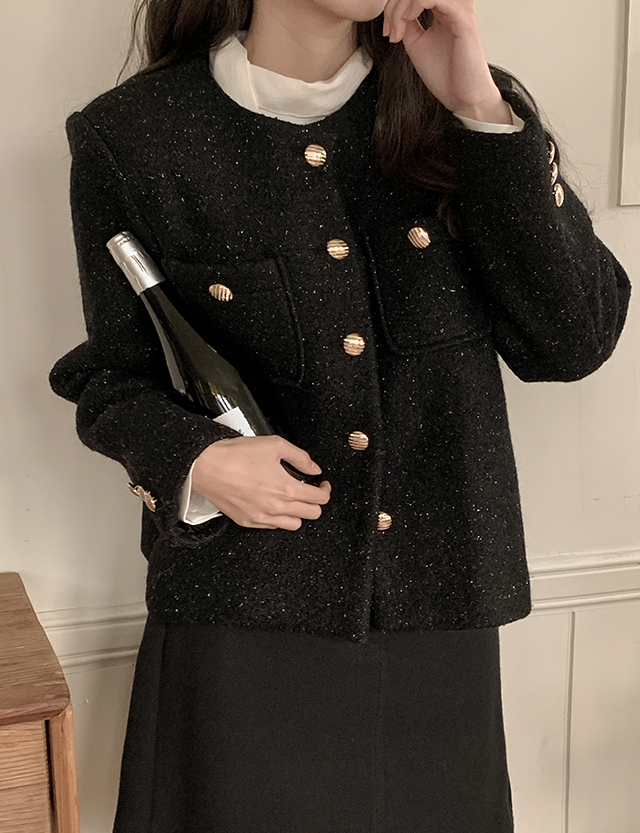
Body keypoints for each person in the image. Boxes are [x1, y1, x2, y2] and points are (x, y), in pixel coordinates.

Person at [50, 1, 630, 831]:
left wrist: (478, 107)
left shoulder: (465, 109)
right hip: (239, 620)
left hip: (438, 625)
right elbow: (111, 373)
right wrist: (198, 461)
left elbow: (573, 338)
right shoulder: (134, 135)